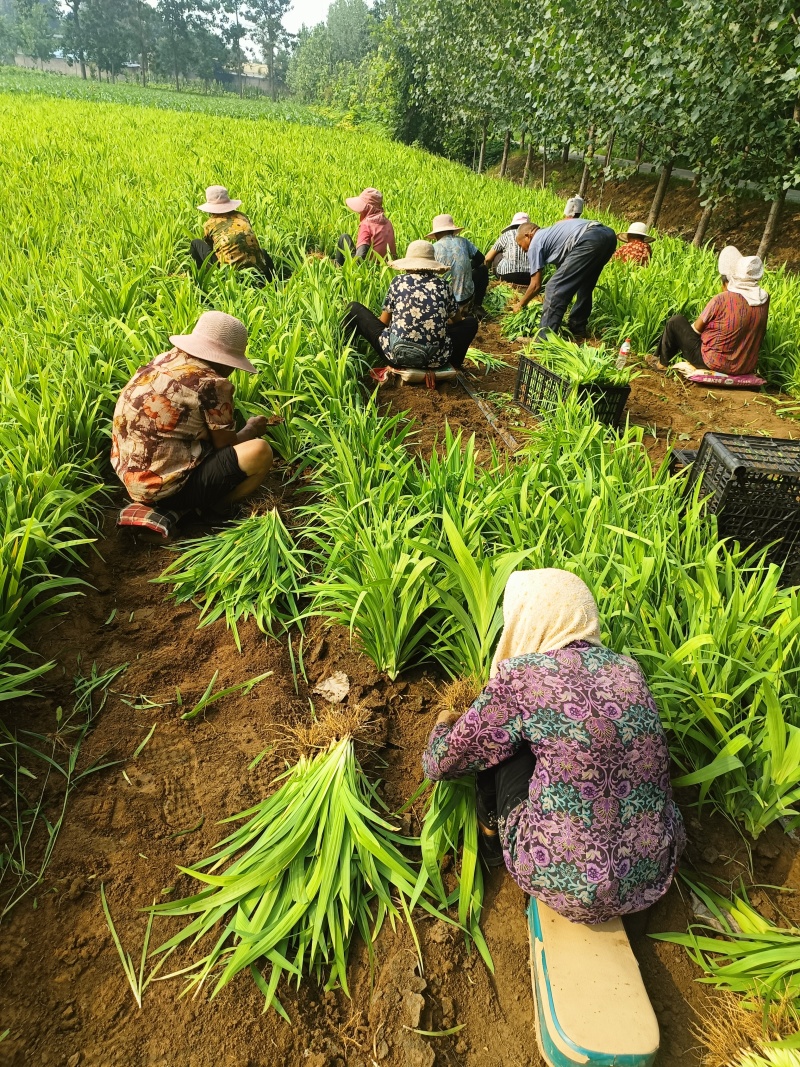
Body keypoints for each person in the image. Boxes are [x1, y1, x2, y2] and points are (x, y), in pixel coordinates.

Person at [422, 569, 685, 925]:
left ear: (528, 617)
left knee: (500, 744)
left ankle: (491, 843)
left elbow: (442, 763)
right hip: (652, 870)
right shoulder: (630, 670)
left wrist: (442, 722)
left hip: (560, 877)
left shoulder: (521, 677)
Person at [111, 311, 273, 516]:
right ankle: (210, 511)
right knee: (260, 451)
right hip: (167, 490)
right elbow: (227, 446)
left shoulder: (164, 360)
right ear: (224, 361)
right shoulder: (212, 384)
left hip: (131, 477)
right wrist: (251, 429)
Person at [342, 240, 479, 371]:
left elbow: (384, 322)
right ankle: (454, 363)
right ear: (432, 265)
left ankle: (344, 350)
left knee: (353, 307)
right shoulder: (443, 285)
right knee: (471, 323)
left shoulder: (399, 282)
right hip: (435, 360)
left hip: (396, 357)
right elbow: (458, 322)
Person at [648, 245, 770, 376]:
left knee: (675, 322)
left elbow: (696, 329)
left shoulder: (722, 299)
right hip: (744, 367)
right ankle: (658, 358)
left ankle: (661, 364)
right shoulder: (764, 299)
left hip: (711, 362)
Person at [515, 216, 617, 340]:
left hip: (589, 238)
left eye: (521, 245)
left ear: (528, 235)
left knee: (553, 288)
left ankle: (543, 339)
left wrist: (520, 304)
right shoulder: (552, 236)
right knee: (585, 284)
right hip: (608, 236)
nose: (524, 250)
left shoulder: (535, 243)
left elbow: (536, 285)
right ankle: (577, 328)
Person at [191, 186, 275, 281]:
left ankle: (200, 278)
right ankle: (274, 281)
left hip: (230, 274)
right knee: (262, 251)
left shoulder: (209, 224)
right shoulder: (242, 217)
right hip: (257, 270)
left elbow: (210, 248)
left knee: (195, 243)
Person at [427, 213, 489, 314]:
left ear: (437, 234)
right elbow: (481, 259)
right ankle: (477, 306)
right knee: (483, 269)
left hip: (444, 300)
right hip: (465, 298)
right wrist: (468, 267)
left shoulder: (433, 248)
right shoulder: (463, 241)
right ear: (452, 230)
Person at [334, 187, 396, 266]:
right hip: (386, 266)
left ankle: (337, 270)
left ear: (368, 209)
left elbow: (360, 256)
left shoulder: (367, 225)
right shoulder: (388, 223)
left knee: (344, 238)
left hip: (368, 268)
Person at [484, 211, 532, 286]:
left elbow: (487, 258)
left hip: (507, 275)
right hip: (530, 277)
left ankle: (498, 280)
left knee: (497, 254)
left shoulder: (506, 235)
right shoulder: (532, 237)